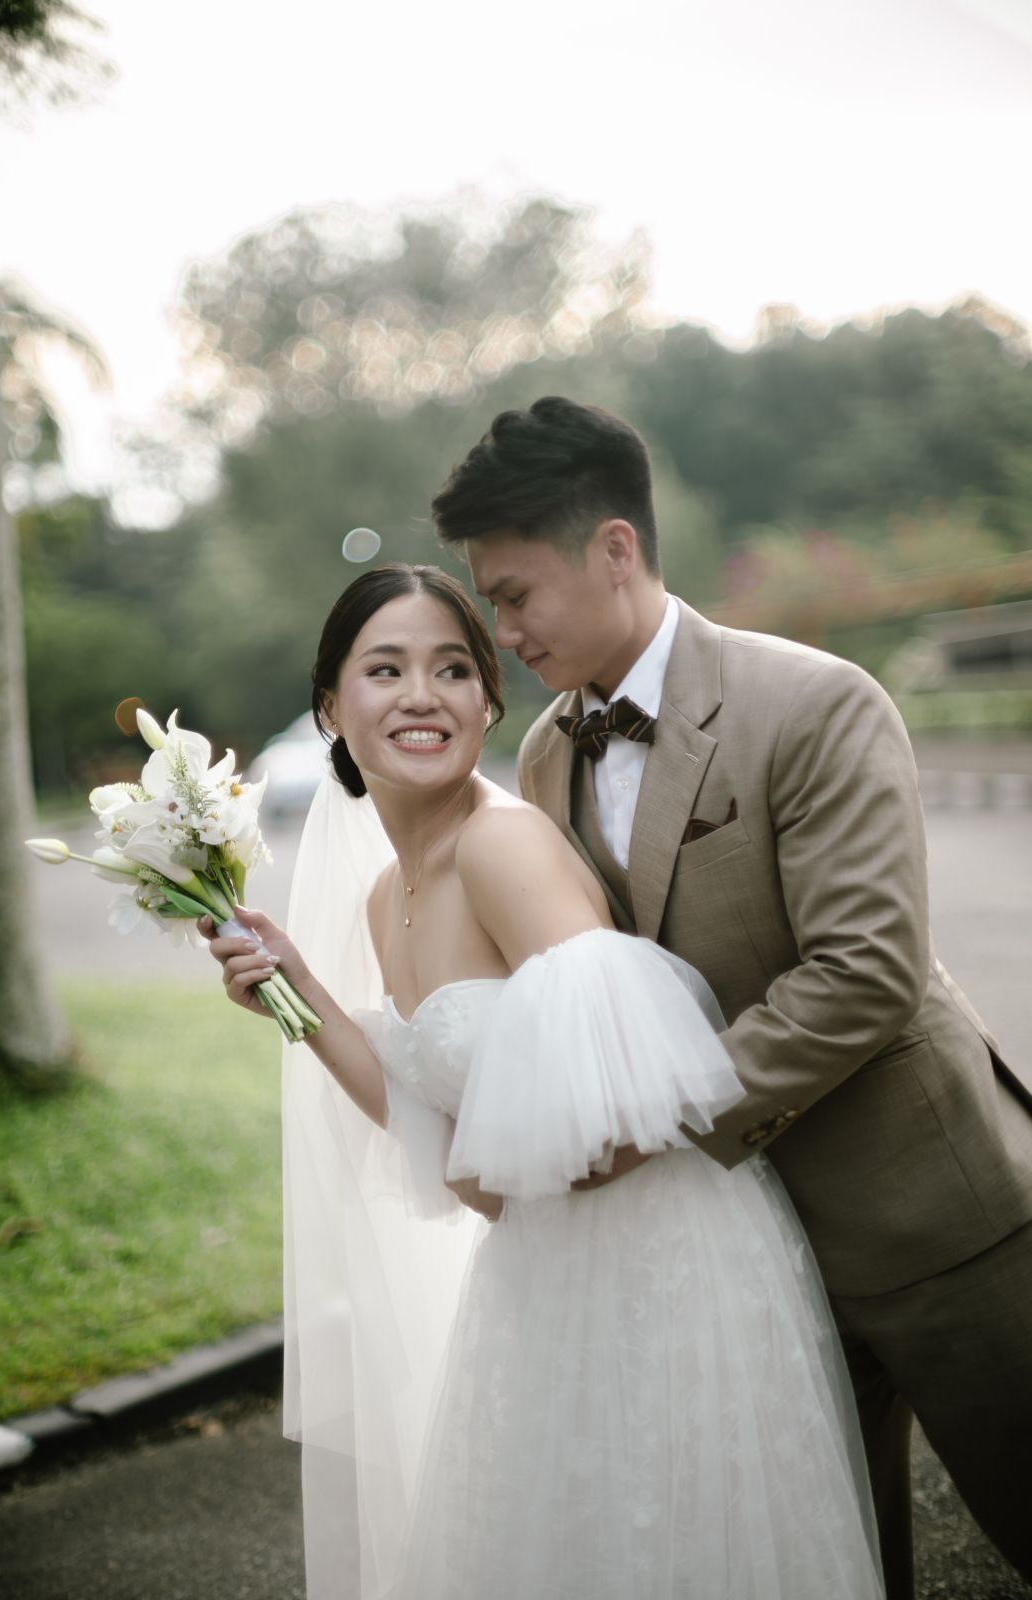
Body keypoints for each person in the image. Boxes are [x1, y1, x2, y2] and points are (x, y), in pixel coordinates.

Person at [430, 395, 1032, 1600]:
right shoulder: (545, 756)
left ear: (613, 548)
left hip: (932, 1221)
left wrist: (646, 1117)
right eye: (488, 603)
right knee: (835, 1568)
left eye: (514, 594)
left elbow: (864, 970)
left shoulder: (813, 701)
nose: (502, 631)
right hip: (746, 1268)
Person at [205, 562, 885, 1600]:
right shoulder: (390, 894)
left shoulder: (502, 844)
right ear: (329, 707)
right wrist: (300, 994)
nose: (422, 695)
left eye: (452, 669)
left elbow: (626, 1110)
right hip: (543, 1275)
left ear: (488, 700)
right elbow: (446, 1142)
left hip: (652, 1267)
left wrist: (495, 1181)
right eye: (384, 670)